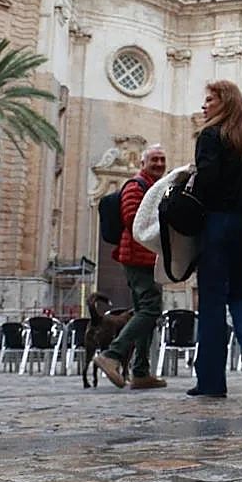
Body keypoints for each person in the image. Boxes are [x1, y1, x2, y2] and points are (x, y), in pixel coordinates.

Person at [187, 80, 242, 398]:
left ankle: (211, 381)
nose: (205, 105)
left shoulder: (209, 135)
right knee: (241, 292)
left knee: (211, 301)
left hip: (218, 221)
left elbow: (207, 179)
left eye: (210, 100)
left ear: (226, 102)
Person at [93, 144, 168, 390]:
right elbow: (133, 219)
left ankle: (140, 372)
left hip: (147, 258)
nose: (158, 164)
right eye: (154, 160)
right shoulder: (136, 186)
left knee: (142, 311)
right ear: (142, 163)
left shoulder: (153, 187)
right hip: (138, 258)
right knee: (150, 309)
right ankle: (112, 355)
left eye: (162, 160)